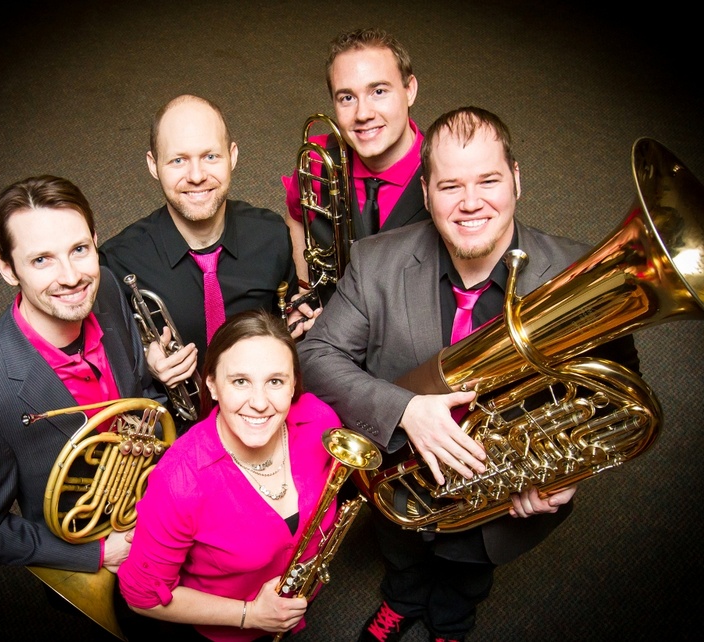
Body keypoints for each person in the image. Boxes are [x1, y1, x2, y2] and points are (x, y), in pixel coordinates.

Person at [297, 107, 640, 642]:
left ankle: (452, 621)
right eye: (450, 185)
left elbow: (617, 392)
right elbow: (315, 355)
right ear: (426, 192)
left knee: (469, 574)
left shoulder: (580, 275)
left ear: (516, 179)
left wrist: (563, 474)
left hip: (504, 501)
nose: (471, 202)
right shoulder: (375, 262)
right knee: (402, 555)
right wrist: (405, 411)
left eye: (488, 180)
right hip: (399, 475)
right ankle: (401, 600)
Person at [0, 176, 164, 609]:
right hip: (96, 546)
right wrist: (98, 553)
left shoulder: (106, 286)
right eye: (42, 259)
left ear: (95, 240)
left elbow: (141, 392)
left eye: (79, 249)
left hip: (158, 504)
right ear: (7, 269)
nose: (72, 277)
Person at [117, 309, 344, 642]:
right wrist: (251, 615)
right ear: (212, 384)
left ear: (294, 383)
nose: (259, 403)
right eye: (240, 381)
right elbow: (142, 596)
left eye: (275, 381)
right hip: (226, 631)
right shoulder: (180, 481)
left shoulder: (320, 423)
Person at [99, 94, 317, 434]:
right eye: (178, 161)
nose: (197, 176)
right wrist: (146, 364)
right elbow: (105, 363)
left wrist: (295, 326)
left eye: (210, 156)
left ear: (232, 156)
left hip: (261, 415)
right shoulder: (118, 261)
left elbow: (283, 315)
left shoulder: (271, 235)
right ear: (153, 165)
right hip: (177, 431)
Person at [281, 27, 431, 296]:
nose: (363, 114)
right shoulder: (316, 160)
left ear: (409, 90)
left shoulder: (445, 170)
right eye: (347, 98)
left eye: (379, 91)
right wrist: (304, 287)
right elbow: (295, 217)